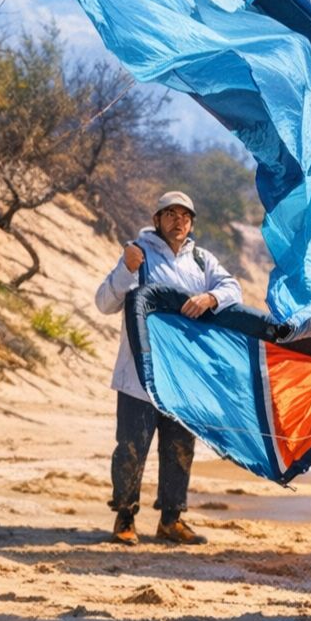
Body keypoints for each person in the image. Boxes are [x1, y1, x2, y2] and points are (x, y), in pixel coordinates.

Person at [95, 190, 242, 546]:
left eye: (185, 215)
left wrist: (211, 297)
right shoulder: (138, 254)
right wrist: (126, 268)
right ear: (157, 219)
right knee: (132, 447)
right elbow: (104, 303)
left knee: (180, 448)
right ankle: (125, 517)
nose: (179, 220)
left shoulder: (202, 261)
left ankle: (171, 521)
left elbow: (233, 289)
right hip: (138, 377)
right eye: (171, 214)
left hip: (182, 377)